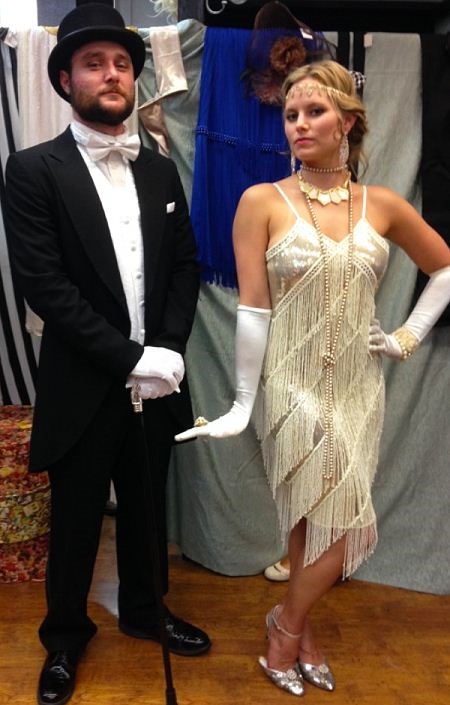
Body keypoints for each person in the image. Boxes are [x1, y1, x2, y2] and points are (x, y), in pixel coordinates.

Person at [176, 59, 450, 696]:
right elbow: (253, 308)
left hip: (358, 386)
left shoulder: (382, 205)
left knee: (316, 521)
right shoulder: (261, 202)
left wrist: (405, 337)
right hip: (291, 383)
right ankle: (285, 628)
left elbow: (444, 269)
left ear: (347, 123)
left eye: (314, 112)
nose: (298, 124)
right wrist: (242, 402)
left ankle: (297, 631)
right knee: (348, 525)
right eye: (290, 114)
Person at [5, 5, 210, 705]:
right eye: (94, 63)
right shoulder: (33, 170)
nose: (112, 74)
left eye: (122, 63)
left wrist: (168, 351)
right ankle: (65, 636)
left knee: (149, 507)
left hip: (159, 378)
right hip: (86, 381)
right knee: (76, 518)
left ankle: (146, 609)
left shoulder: (159, 171)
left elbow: (185, 266)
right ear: (66, 80)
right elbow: (46, 287)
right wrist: (129, 358)